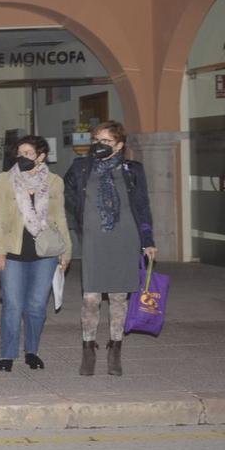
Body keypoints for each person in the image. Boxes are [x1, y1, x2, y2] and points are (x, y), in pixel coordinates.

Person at [64, 120, 156, 376]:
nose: (99, 145)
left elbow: (142, 205)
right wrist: (82, 222)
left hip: (125, 237)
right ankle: (88, 348)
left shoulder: (133, 169)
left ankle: (115, 349)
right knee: (90, 298)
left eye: (106, 141)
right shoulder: (81, 166)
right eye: (96, 140)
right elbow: (67, 195)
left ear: (119, 145)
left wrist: (148, 240)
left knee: (118, 298)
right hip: (95, 239)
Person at [0, 136, 72, 372]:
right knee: (12, 304)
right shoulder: (4, 180)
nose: (22, 157)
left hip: (45, 252)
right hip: (13, 252)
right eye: (20, 153)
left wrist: (66, 251)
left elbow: (60, 218)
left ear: (41, 156)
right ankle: (7, 354)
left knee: (36, 306)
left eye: (28, 153)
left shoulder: (55, 182)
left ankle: (32, 351)